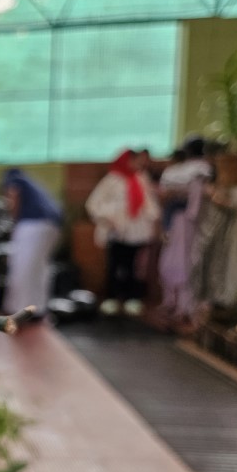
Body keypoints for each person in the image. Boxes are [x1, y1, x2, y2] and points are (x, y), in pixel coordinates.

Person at [85, 149, 161, 316]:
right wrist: (108, 217)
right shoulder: (112, 179)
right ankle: (112, 297)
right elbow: (94, 203)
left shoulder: (140, 178)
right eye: (133, 160)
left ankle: (132, 297)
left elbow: (149, 203)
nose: (136, 164)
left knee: (134, 266)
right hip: (116, 231)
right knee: (115, 265)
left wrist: (154, 221)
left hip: (137, 231)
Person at [158, 139, 212, 330]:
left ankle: (175, 303)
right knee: (187, 263)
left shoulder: (174, 172)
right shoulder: (202, 170)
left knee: (175, 262)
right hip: (191, 223)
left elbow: (164, 194)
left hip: (176, 223)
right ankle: (182, 306)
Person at [2, 168, 63, 318]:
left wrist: (13, 221)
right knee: (39, 269)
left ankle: (18, 309)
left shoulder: (16, 181)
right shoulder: (32, 185)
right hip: (52, 226)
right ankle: (37, 308)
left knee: (22, 269)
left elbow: (14, 196)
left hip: (33, 226)